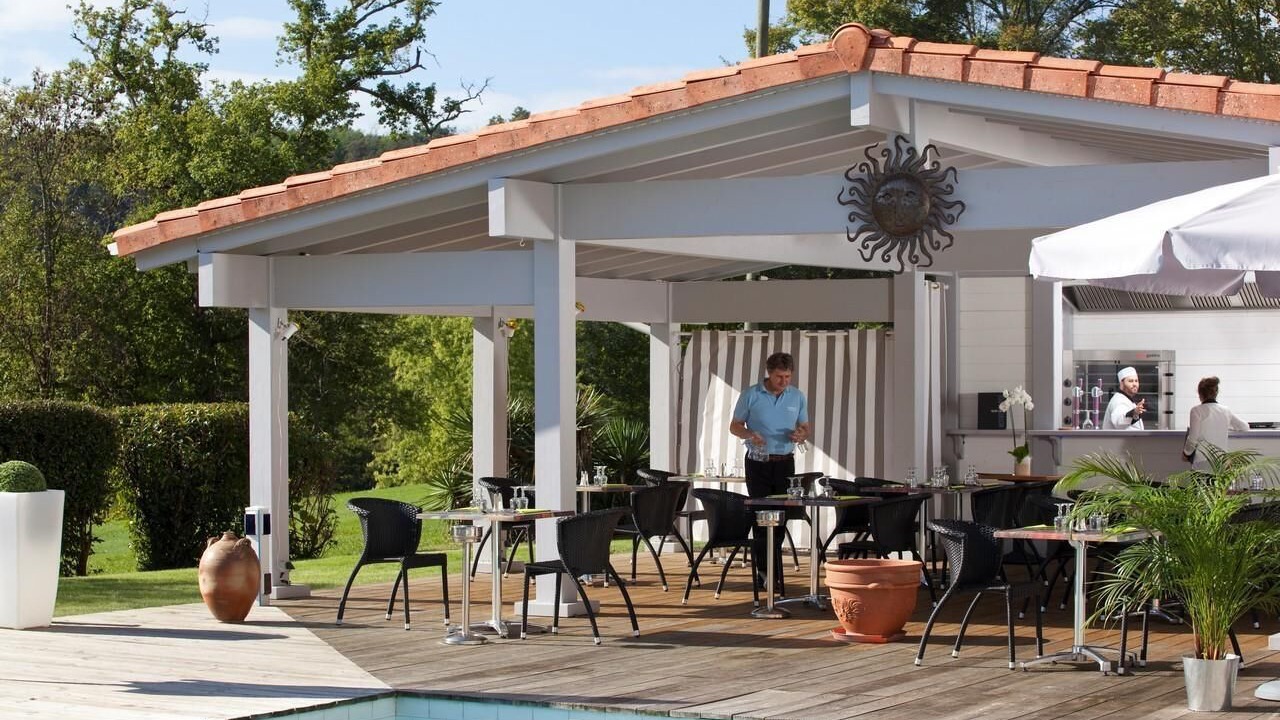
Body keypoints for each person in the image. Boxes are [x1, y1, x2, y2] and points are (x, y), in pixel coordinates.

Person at [730, 351, 810, 591]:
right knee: (762, 518)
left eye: (787, 377)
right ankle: (765, 575)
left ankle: (773, 572)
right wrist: (749, 434)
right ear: (769, 373)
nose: (784, 382)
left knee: (781, 519)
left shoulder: (797, 396)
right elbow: (735, 425)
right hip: (758, 462)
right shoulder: (751, 394)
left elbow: (805, 426)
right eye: (779, 377)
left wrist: (801, 434)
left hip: (785, 463)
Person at [1183, 376, 1249, 469]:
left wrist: (1186, 453)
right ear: (1216, 393)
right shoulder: (1225, 410)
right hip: (1221, 461)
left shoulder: (1196, 411)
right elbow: (1244, 426)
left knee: (1201, 483)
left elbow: (1193, 438)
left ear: (1200, 394)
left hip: (1202, 461)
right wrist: (1226, 426)